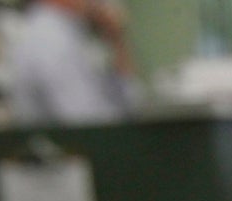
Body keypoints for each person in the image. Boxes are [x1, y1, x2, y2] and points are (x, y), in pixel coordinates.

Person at [8, 0, 137, 125]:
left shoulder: (68, 32)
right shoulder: (50, 39)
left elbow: (129, 103)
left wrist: (116, 41)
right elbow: (90, 123)